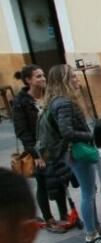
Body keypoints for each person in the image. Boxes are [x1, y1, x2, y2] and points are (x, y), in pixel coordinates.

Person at [46, 64, 101, 243]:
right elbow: (67, 132)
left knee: (89, 191)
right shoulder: (64, 103)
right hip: (77, 152)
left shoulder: (56, 101)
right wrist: (89, 136)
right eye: (73, 77)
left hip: (73, 152)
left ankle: (96, 227)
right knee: (87, 192)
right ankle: (91, 234)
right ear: (64, 80)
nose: (77, 80)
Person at [12, 64, 69, 232]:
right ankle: (49, 218)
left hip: (54, 146)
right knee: (43, 183)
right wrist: (36, 154)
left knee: (59, 180)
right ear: (28, 80)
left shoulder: (49, 96)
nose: (43, 78)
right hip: (37, 150)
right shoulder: (21, 103)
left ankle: (64, 214)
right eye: (38, 76)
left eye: (43, 75)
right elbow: (23, 132)